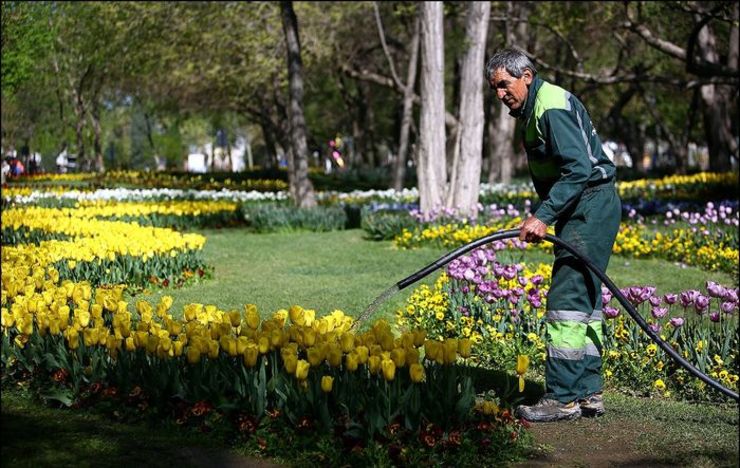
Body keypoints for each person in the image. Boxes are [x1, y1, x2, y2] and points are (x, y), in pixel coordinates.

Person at [485, 48, 621, 422]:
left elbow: (577, 170)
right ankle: (588, 392)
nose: (500, 94)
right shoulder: (536, 107)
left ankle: (562, 397)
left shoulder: (550, 106)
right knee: (586, 303)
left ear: (526, 76)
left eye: (504, 84)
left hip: (590, 205)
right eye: (494, 88)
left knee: (567, 300)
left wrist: (543, 216)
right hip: (587, 207)